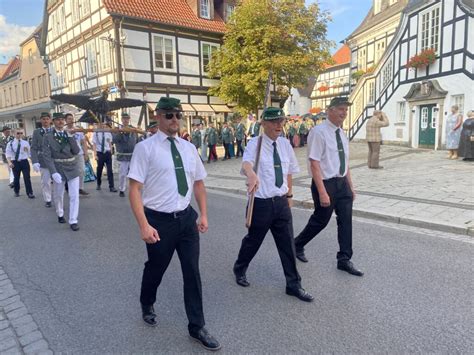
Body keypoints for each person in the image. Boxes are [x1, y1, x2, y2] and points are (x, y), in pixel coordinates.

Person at [128, 97, 220, 351]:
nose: (175, 120)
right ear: (157, 116)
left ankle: (197, 326)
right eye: (169, 115)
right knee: (156, 267)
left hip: (186, 219)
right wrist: (144, 225)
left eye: (178, 115)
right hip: (158, 220)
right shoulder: (145, 149)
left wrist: (203, 214)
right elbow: (134, 189)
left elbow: (199, 183)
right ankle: (147, 301)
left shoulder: (188, 148)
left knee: (192, 270)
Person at [233, 107, 314, 302]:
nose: (279, 125)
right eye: (275, 121)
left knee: (288, 245)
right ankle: (240, 268)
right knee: (253, 241)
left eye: (282, 121)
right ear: (264, 124)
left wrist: (289, 195)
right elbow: (246, 164)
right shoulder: (256, 144)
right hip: (261, 203)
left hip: (280, 203)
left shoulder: (285, 145)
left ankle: (293, 284)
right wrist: (251, 174)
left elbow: (288, 172)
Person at [294, 97, 363, 277]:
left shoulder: (342, 133)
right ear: (330, 110)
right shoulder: (319, 132)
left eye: (346, 110)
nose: (344, 113)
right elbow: (314, 163)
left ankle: (344, 259)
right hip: (325, 183)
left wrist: (351, 186)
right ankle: (297, 244)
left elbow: (344, 162)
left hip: (342, 183)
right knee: (321, 220)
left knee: (346, 221)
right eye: (340, 109)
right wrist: (323, 192)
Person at [42, 112, 81, 231]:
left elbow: (76, 151)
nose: (60, 122)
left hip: (72, 166)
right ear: (53, 122)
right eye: (57, 120)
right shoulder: (48, 136)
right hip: (58, 167)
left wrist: (70, 137)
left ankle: (73, 220)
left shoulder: (68, 134)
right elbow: (47, 156)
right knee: (59, 194)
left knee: (74, 195)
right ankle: (60, 213)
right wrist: (53, 172)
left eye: (62, 120)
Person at [113, 113, 139, 197]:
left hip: (132, 155)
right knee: (123, 174)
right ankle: (122, 189)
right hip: (123, 156)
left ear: (129, 119)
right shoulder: (118, 129)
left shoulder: (133, 130)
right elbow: (114, 140)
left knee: (134, 174)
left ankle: (134, 189)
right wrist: (120, 132)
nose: (125, 120)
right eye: (124, 119)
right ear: (121, 120)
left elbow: (137, 141)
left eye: (127, 119)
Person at [31, 112, 53, 206]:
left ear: (50, 120)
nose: (45, 121)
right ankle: (48, 199)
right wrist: (35, 161)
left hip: (55, 160)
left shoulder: (55, 131)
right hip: (43, 160)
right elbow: (33, 147)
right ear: (41, 120)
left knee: (58, 181)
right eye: (43, 119)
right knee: (45, 181)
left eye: (47, 119)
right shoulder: (36, 132)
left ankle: (57, 198)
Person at [5, 129, 35, 199]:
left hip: (24, 162)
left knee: (27, 177)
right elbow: (8, 154)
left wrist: (33, 162)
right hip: (15, 162)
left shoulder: (25, 143)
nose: (19, 135)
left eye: (21, 133)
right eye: (18, 133)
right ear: (14, 134)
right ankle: (16, 191)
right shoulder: (10, 143)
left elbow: (29, 153)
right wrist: (9, 162)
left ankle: (30, 192)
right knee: (16, 178)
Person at [65, 113, 90, 195]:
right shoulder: (63, 131)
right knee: (70, 172)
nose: (71, 120)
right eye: (69, 119)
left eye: (72, 119)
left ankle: (80, 188)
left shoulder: (78, 130)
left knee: (82, 171)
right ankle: (70, 188)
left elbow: (83, 143)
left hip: (79, 154)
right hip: (69, 155)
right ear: (66, 120)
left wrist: (86, 154)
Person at [92, 122, 118, 192]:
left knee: (110, 170)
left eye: (104, 124)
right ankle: (98, 183)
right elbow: (94, 144)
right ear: (98, 125)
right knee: (99, 169)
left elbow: (109, 142)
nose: (103, 125)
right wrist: (95, 154)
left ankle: (111, 186)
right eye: (101, 124)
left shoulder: (108, 132)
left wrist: (111, 150)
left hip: (107, 152)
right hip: (100, 153)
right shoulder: (96, 133)